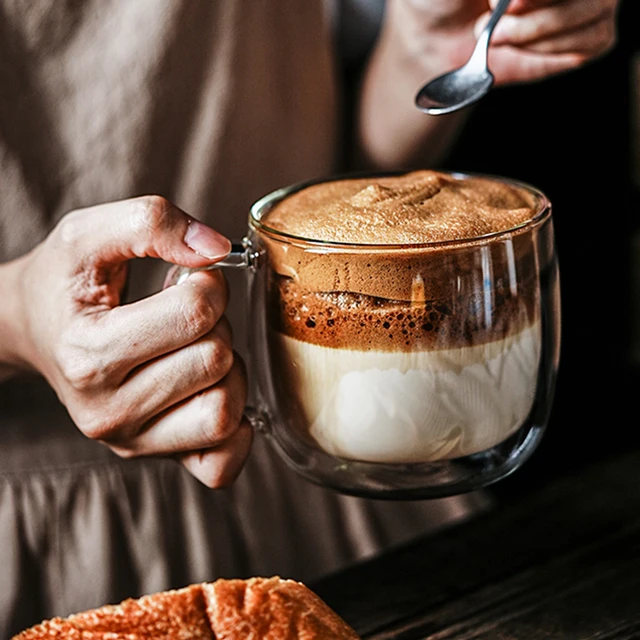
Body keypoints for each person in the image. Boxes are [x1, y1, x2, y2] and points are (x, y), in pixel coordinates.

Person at [0, 0, 619, 635]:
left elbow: (336, 190)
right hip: (50, 542)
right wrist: (18, 318)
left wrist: (422, 54)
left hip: (351, 477)